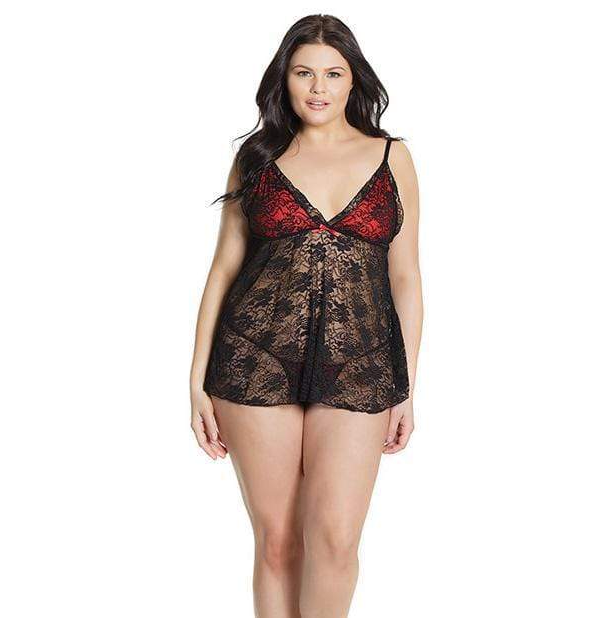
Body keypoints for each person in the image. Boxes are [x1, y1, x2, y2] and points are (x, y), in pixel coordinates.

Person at [189, 14, 423, 618]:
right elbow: (223, 269)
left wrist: (405, 386)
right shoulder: (257, 157)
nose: (318, 87)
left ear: (354, 80)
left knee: (336, 541)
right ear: (284, 79)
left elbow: (405, 277)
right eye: (303, 73)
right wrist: (195, 381)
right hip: (255, 357)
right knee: (277, 542)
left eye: (333, 74)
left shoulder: (392, 157)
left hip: (360, 364)